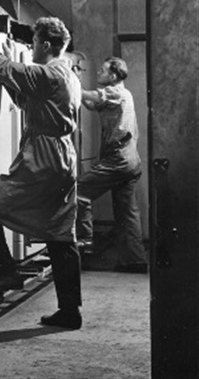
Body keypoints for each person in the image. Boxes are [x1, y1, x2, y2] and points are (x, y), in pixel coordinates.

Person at [0, 17, 83, 330]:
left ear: (48, 45)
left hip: (43, 160)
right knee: (60, 235)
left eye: (37, 42)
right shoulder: (68, 74)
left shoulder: (49, 72)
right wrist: (6, 77)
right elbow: (27, 98)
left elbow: (1, 66)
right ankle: (70, 311)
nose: (34, 49)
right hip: (64, 159)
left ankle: (5, 272)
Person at [76, 57, 148, 273]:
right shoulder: (120, 95)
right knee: (127, 212)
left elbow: (89, 96)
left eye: (103, 70)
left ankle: (85, 244)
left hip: (118, 159)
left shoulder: (116, 92)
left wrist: (70, 79)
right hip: (129, 159)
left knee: (78, 192)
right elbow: (89, 103)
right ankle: (135, 261)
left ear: (114, 75)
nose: (98, 72)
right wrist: (77, 83)